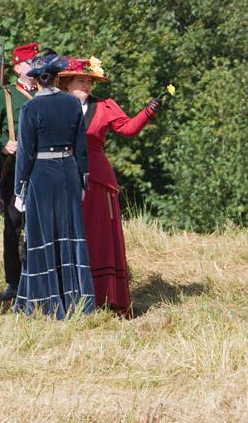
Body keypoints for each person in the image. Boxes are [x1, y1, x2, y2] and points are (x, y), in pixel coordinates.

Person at [57, 57, 161, 316]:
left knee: (100, 236)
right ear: (67, 83)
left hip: (98, 180)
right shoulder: (55, 107)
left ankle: (106, 298)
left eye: (90, 81)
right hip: (64, 178)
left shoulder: (104, 106)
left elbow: (127, 129)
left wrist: (148, 111)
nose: (87, 85)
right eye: (82, 80)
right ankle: (70, 296)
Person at [13, 53, 95, 318]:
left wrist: (19, 187)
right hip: (69, 171)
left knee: (43, 234)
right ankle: (76, 299)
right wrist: (83, 176)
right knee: (69, 232)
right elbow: (81, 146)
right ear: (57, 78)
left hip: (42, 174)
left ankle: (44, 301)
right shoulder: (72, 105)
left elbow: (25, 153)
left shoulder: (30, 109)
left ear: (36, 81)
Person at [0, 42, 38, 299]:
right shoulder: (5, 95)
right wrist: (4, 144)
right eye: (31, 62)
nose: (35, 66)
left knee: (41, 224)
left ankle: (39, 276)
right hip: (14, 170)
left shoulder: (48, 91)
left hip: (43, 168)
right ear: (17, 68)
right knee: (14, 225)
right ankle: (14, 281)